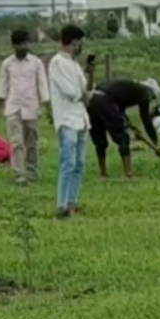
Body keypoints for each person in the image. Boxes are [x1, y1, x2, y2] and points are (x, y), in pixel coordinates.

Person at [0, 29, 50, 186]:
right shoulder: (7, 64)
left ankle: (32, 173)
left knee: (32, 143)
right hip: (13, 108)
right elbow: (2, 89)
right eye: (20, 44)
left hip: (32, 108)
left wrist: (48, 109)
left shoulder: (36, 63)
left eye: (26, 43)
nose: (24, 46)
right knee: (17, 142)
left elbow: (42, 86)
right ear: (14, 45)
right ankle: (19, 175)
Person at [49, 23, 91, 218]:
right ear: (73, 42)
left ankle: (73, 201)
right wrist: (81, 93)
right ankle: (62, 204)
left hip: (81, 118)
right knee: (68, 161)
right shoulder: (56, 62)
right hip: (66, 119)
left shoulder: (74, 65)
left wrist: (90, 74)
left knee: (80, 163)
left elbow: (87, 91)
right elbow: (71, 92)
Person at [87, 76, 160, 179]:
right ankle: (128, 174)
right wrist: (156, 142)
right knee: (123, 138)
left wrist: (131, 125)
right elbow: (146, 120)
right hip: (106, 101)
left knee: (100, 140)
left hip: (92, 100)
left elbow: (119, 108)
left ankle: (103, 173)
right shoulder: (144, 92)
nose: (150, 100)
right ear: (151, 92)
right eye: (152, 98)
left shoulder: (131, 87)